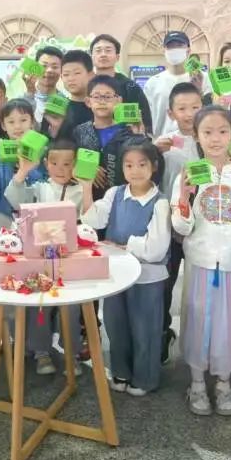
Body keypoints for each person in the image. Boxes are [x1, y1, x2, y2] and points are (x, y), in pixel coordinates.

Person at [171, 106, 231, 417]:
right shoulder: (188, 174)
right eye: (208, 132)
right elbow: (181, 227)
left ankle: (224, 382)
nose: (215, 139)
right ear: (196, 136)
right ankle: (197, 383)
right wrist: (183, 199)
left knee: (229, 325)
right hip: (200, 264)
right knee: (198, 321)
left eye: (223, 132)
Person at [81, 139, 170, 396]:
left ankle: (145, 378)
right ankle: (121, 371)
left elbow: (155, 249)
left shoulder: (160, 202)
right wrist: (86, 187)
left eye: (142, 164)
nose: (135, 171)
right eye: (129, 165)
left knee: (145, 329)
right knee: (115, 324)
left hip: (147, 277)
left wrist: (122, 245)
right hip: (117, 274)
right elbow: (93, 220)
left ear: (154, 166)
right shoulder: (115, 193)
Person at [7, 138, 83, 375]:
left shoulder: (81, 190)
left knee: (71, 306)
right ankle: (41, 352)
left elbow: (91, 219)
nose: (61, 169)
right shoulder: (39, 188)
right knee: (39, 304)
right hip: (39, 256)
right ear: (46, 164)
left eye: (68, 164)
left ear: (76, 165)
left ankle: (72, 354)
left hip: (69, 257)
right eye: (54, 163)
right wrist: (23, 171)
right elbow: (14, 198)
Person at [154, 81, 203, 364]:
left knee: (199, 288)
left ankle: (198, 341)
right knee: (165, 283)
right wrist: (153, 152)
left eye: (195, 107)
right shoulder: (164, 142)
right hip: (169, 224)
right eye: (182, 108)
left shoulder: (210, 138)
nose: (189, 113)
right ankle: (162, 334)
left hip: (203, 225)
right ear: (171, 113)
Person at [71, 75, 146, 203]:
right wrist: (84, 166)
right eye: (96, 97)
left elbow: (144, 162)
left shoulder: (128, 130)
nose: (102, 101)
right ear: (88, 101)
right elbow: (70, 161)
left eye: (107, 96)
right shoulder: (80, 132)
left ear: (119, 101)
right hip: (91, 199)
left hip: (125, 199)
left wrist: (140, 136)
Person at [0, 99, 45, 217]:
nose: (17, 126)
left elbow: (47, 189)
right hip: (4, 219)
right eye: (11, 122)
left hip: (35, 216)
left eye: (23, 120)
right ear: (3, 125)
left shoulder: (41, 152)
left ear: (32, 122)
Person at [90, 34, 153, 134]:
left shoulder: (130, 87)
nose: (103, 54)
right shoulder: (86, 86)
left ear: (117, 57)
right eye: (98, 51)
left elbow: (145, 122)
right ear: (91, 57)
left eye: (108, 50)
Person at [56, 49, 95, 137]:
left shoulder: (100, 107)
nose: (71, 78)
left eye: (77, 73)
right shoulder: (58, 110)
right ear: (61, 77)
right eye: (66, 74)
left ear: (91, 75)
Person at [23, 45, 65, 124]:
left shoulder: (65, 102)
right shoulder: (23, 100)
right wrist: (30, 92)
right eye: (44, 66)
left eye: (55, 67)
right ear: (35, 67)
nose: (49, 70)